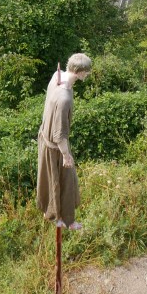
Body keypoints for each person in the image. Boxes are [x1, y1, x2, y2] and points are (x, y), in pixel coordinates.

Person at [37, 53, 92, 230]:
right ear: (80, 72)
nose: (88, 75)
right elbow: (60, 134)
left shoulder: (57, 76)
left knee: (52, 180)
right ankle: (68, 221)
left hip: (45, 140)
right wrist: (66, 155)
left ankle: (54, 215)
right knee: (68, 182)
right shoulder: (64, 98)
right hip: (55, 146)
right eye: (87, 72)